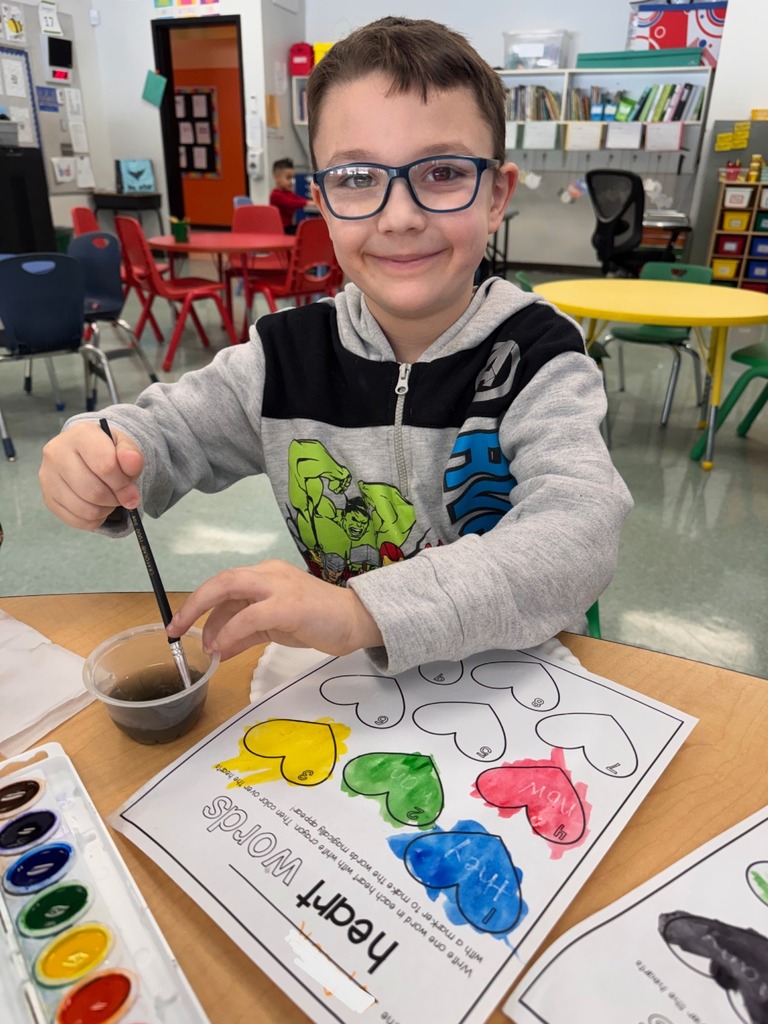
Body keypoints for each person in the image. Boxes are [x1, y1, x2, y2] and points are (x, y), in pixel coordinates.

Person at [39, 16, 632, 676]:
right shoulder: (283, 357)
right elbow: (161, 434)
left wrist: (360, 613)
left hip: (520, 681)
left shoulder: (541, 355)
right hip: (357, 693)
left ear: (497, 195)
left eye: (441, 172)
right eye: (356, 177)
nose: (400, 216)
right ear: (319, 201)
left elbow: (579, 532)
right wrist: (102, 453)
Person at [269, 157, 317, 234]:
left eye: (293, 178)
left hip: (288, 227)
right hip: (280, 230)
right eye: (288, 178)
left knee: (308, 229)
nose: (291, 182)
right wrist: (308, 203)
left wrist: (313, 202)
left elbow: (298, 199)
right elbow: (290, 202)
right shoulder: (275, 195)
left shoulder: (288, 193)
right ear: (276, 178)